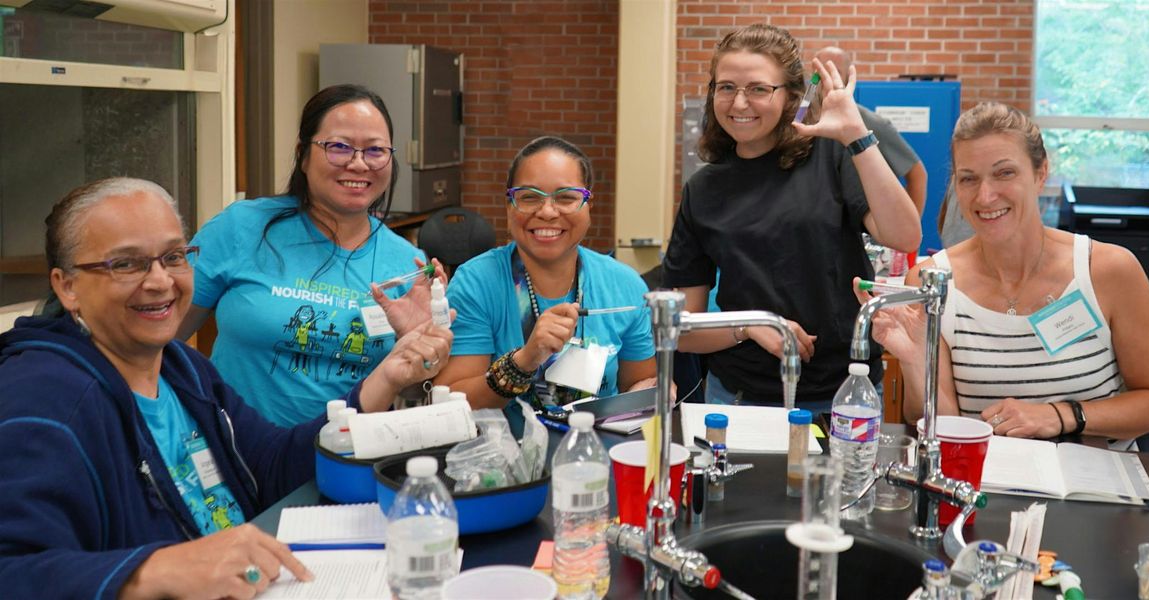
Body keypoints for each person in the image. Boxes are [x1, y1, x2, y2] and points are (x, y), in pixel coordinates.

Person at [0, 178, 452, 598]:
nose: (159, 281)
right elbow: (13, 571)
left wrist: (387, 376)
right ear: (67, 286)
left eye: (173, 257)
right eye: (126, 264)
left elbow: (272, 466)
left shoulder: (183, 371)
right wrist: (156, 569)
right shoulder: (40, 398)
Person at [860, 102, 1149, 449]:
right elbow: (938, 424)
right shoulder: (932, 282)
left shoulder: (1108, 271)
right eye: (969, 179)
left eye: (1004, 173)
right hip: (985, 477)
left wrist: (1061, 415)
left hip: (1094, 479)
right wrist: (915, 362)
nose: (985, 196)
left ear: (1041, 173)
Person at [662, 24, 921, 411]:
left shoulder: (831, 157)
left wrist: (856, 136)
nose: (739, 103)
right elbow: (683, 328)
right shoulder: (703, 189)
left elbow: (905, 236)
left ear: (790, 96)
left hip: (844, 395)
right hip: (739, 398)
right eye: (726, 87)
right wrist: (749, 325)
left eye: (758, 89)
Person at [178, 84, 439, 427]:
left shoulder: (408, 264)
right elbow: (164, 333)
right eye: (339, 147)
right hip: (233, 449)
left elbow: (413, 391)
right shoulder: (243, 227)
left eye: (375, 150)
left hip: (347, 453)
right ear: (303, 155)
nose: (358, 163)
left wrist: (420, 350)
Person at [433, 136, 657, 433]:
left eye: (566, 197)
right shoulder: (477, 282)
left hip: (597, 451)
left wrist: (652, 393)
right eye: (529, 197)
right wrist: (524, 361)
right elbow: (452, 402)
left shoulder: (624, 286)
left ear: (588, 205)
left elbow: (639, 386)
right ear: (509, 206)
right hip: (504, 457)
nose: (548, 212)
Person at [814, 46, 928, 216]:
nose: (825, 78)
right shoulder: (802, 118)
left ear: (847, 79)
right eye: (819, 72)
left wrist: (909, 226)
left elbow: (917, 174)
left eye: (834, 72)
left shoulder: (868, 122)